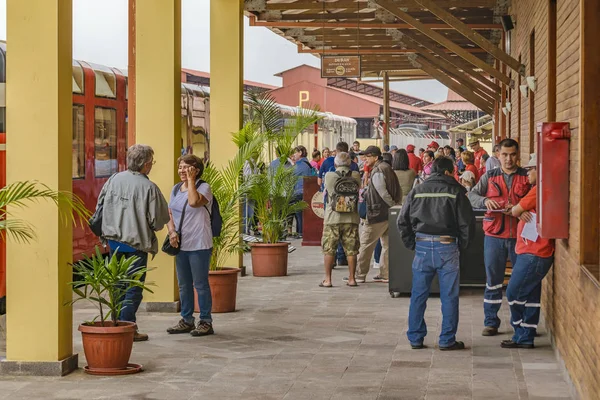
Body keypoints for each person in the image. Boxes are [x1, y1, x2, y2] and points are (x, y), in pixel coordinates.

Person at [398, 157, 474, 350]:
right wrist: (462, 246)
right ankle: (447, 340)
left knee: (418, 295)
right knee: (449, 295)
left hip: (422, 246)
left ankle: (415, 338)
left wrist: (412, 243)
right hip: (447, 246)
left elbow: (402, 221)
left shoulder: (417, 191)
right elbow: (467, 224)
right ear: (448, 172)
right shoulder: (456, 192)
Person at [96, 144, 170, 342]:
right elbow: (157, 221)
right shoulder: (149, 187)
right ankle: (127, 326)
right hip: (136, 245)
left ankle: (117, 323)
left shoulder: (113, 180)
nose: (152, 166)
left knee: (117, 284)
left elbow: (100, 207)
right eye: (151, 163)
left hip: (113, 243)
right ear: (145, 165)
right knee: (133, 288)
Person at [468, 138, 531, 336]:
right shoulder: (489, 176)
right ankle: (490, 322)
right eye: (504, 155)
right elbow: (471, 195)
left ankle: (519, 323)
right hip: (494, 236)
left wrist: (522, 209)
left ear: (518, 155)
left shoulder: (527, 177)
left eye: (512, 155)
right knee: (493, 280)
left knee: (519, 282)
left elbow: (537, 200)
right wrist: (485, 200)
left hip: (521, 237)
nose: (508, 159)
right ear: (498, 154)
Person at [503, 153, 553, 349]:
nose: (527, 173)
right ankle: (527, 335)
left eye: (531, 169)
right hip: (537, 251)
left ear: (539, 171)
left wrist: (518, 209)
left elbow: (515, 210)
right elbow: (520, 210)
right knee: (531, 295)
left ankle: (520, 332)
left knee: (514, 293)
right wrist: (519, 209)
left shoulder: (538, 190)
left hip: (533, 252)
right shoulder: (544, 189)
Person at [166, 155, 215, 337]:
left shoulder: (204, 187)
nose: (182, 171)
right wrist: (171, 232)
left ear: (196, 169)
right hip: (181, 243)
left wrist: (192, 180)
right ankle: (186, 319)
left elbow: (194, 202)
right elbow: (170, 212)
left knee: (200, 284)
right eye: (180, 167)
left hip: (199, 243)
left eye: (187, 167)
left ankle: (205, 321)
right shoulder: (176, 189)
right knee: (184, 285)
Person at [350, 146, 402, 283]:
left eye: (367, 156)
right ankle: (385, 273)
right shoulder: (386, 167)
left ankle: (359, 275)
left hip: (377, 213)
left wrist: (392, 205)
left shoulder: (378, 170)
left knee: (366, 244)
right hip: (387, 214)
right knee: (387, 245)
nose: (365, 159)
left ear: (376, 157)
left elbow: (382, 192)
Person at [319, 152, 361, 287]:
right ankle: (352, 279)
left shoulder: (330, 176)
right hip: (351, 217)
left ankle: (328, 279)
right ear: (350, 163)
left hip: (332, 217)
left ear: (335, 163)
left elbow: (328, 192)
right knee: (351, 249)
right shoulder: (356, 176)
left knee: (329, 248)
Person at [290, 145, 312, 237]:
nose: (294, 154)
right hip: (306, 190)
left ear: (300, 153)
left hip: (299, 190)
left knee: (299, 213)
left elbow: (291, 174)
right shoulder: (307, 163)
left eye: (295, 152)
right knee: (303, 213)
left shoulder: (300, 164)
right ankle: (302, 231)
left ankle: (300, 232)